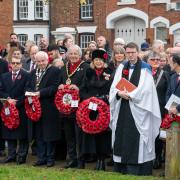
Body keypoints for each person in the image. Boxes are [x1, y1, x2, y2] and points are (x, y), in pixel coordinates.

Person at [109, 42, 161, 176]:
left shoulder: (145, 68)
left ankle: (137, 169)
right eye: (128, 52)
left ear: (138, 52)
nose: (131, 55)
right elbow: (114, 86)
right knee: (121, 134)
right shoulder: (122, 67)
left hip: (139, 110)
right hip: (122, 109)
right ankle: (121, 167)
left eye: (133, 52)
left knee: (136, 137)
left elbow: (147, 90)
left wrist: (131, 95)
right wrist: (118, 94)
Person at [80, 49, 114, 170]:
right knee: (93, 134)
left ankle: (102, 160)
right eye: (96, 60)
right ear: (93, 61)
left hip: (105, 108)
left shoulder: (110, 72)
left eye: (100, 60)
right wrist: (90, 99)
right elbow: (82, 90)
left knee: (104, 135)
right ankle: (94, 159)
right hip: (91, 108)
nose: (98, 62)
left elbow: (113, 89)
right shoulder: (88, 72)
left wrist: (105, 98)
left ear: (104, 61)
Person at [26, 51, 61, 167]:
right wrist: (31, 93)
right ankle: (41, 158)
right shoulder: (32, 73)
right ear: (35, 61)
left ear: (47, 60)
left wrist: (40, 93)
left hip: (49, 107)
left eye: (43, 61)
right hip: (35, 109)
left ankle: (50, 158)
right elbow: (28, 86)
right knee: (39, 134)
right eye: (38, 61)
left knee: (49, 134)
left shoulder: (55, 71)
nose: (41, 63)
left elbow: (55, 87)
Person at [58, 45, 89, 168]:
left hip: (79, 107)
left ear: (80, 55)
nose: (73, 56)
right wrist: (60, 86)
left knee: (79, 135)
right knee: (69, 135)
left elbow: (87, 85)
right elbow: (60, 81)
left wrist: (78, 89)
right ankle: (72, 159)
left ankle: (81, 160)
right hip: (66, 108)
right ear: (67, 55)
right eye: (71, 53)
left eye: (76, 53)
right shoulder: (63, 67)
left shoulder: (86, 67)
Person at [0, 57, 29, 164]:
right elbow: (1, 90)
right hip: (7, 108)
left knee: (22, 134)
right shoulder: (4, 76)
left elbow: (27, 91)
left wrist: (17, 102)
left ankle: (21, 156)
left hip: (20, 108)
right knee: (9, 132)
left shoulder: (26, 76)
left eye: (17, 63)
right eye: (13, 63)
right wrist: (8, 99)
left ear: (21, 64)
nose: (15, 65)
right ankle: (11, 155)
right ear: (10, 64)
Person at [147, 52, 170, 169]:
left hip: (160, 109)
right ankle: (147, 158)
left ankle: (157, 157)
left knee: (158, 135)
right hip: (146, 109)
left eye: (158, 59)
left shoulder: (165, 74)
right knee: (148, 133)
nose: (156, 61)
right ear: (148, 61)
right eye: (153, 59)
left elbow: (168, 93)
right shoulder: (144, 74)